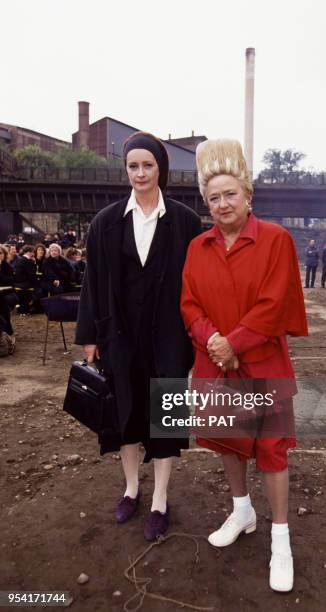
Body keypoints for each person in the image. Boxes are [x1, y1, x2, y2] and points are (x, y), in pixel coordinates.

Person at [181, 139, 308, 592]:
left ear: (247, 196)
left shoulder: (276, 239)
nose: (222, 204)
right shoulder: (198, 246)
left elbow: (276, 304)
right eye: (213, 198)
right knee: (229, 443)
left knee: (272, 452)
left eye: (230, 194)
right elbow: (189, 302)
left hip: (262, 363)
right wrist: (211, 339)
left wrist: (233, 343)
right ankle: (241, 510)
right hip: (215, 363)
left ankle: (281, 540)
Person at [75, 131, 201, 541]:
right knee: (125, 412)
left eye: (148, 165)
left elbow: (198, 285)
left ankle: (161, 499)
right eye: (133, 166)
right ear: (125, 169)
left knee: (164, 416)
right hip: (120, 336)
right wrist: (89, 336)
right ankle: (131, 488)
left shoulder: (185, 221)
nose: (140, 173)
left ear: (160, 169)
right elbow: (92, 283)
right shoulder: (105, 222)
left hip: (168, 338)